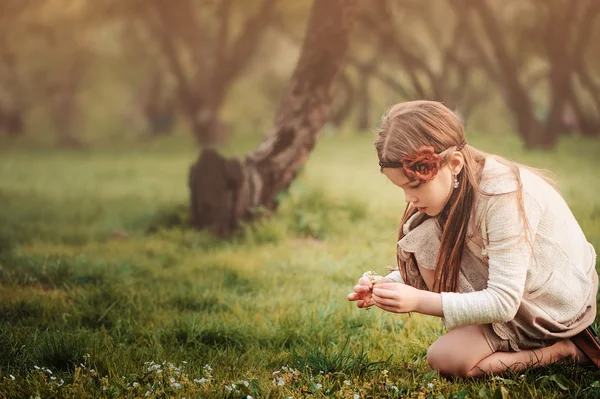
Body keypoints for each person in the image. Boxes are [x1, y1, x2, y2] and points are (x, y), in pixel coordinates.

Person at [347, 100, 599, 378]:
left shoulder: (502, 195)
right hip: (517, 293)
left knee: (447, 359)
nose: (408, 197)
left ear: (453, 163)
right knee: (426, 232)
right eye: (402, 188)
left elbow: (504, 301)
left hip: (549, 305)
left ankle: (564, 350)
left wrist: (418, 301)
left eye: (415, 185)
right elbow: (453, 253)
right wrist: (387, 285)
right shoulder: (454, 186)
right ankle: (487, 337)